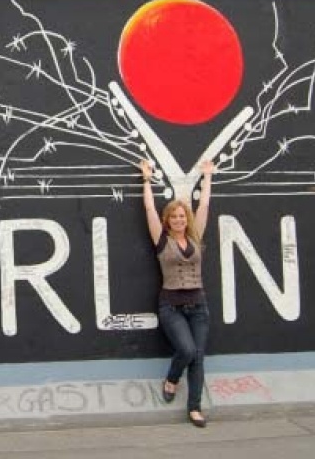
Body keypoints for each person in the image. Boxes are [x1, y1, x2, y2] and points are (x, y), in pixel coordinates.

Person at [140, 158, 214, 428]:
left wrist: (207, 177)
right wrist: (146, 179)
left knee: (198, 356)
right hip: (171, 305)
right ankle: (172, 378)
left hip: (198, 305)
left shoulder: (195, 237)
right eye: (175, 216)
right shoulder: (162, 240)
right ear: (168, 220)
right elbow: (148, 208)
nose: (180, 219)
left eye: (183, 216)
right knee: (186, 349)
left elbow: (204, 206)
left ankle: (194, 408)